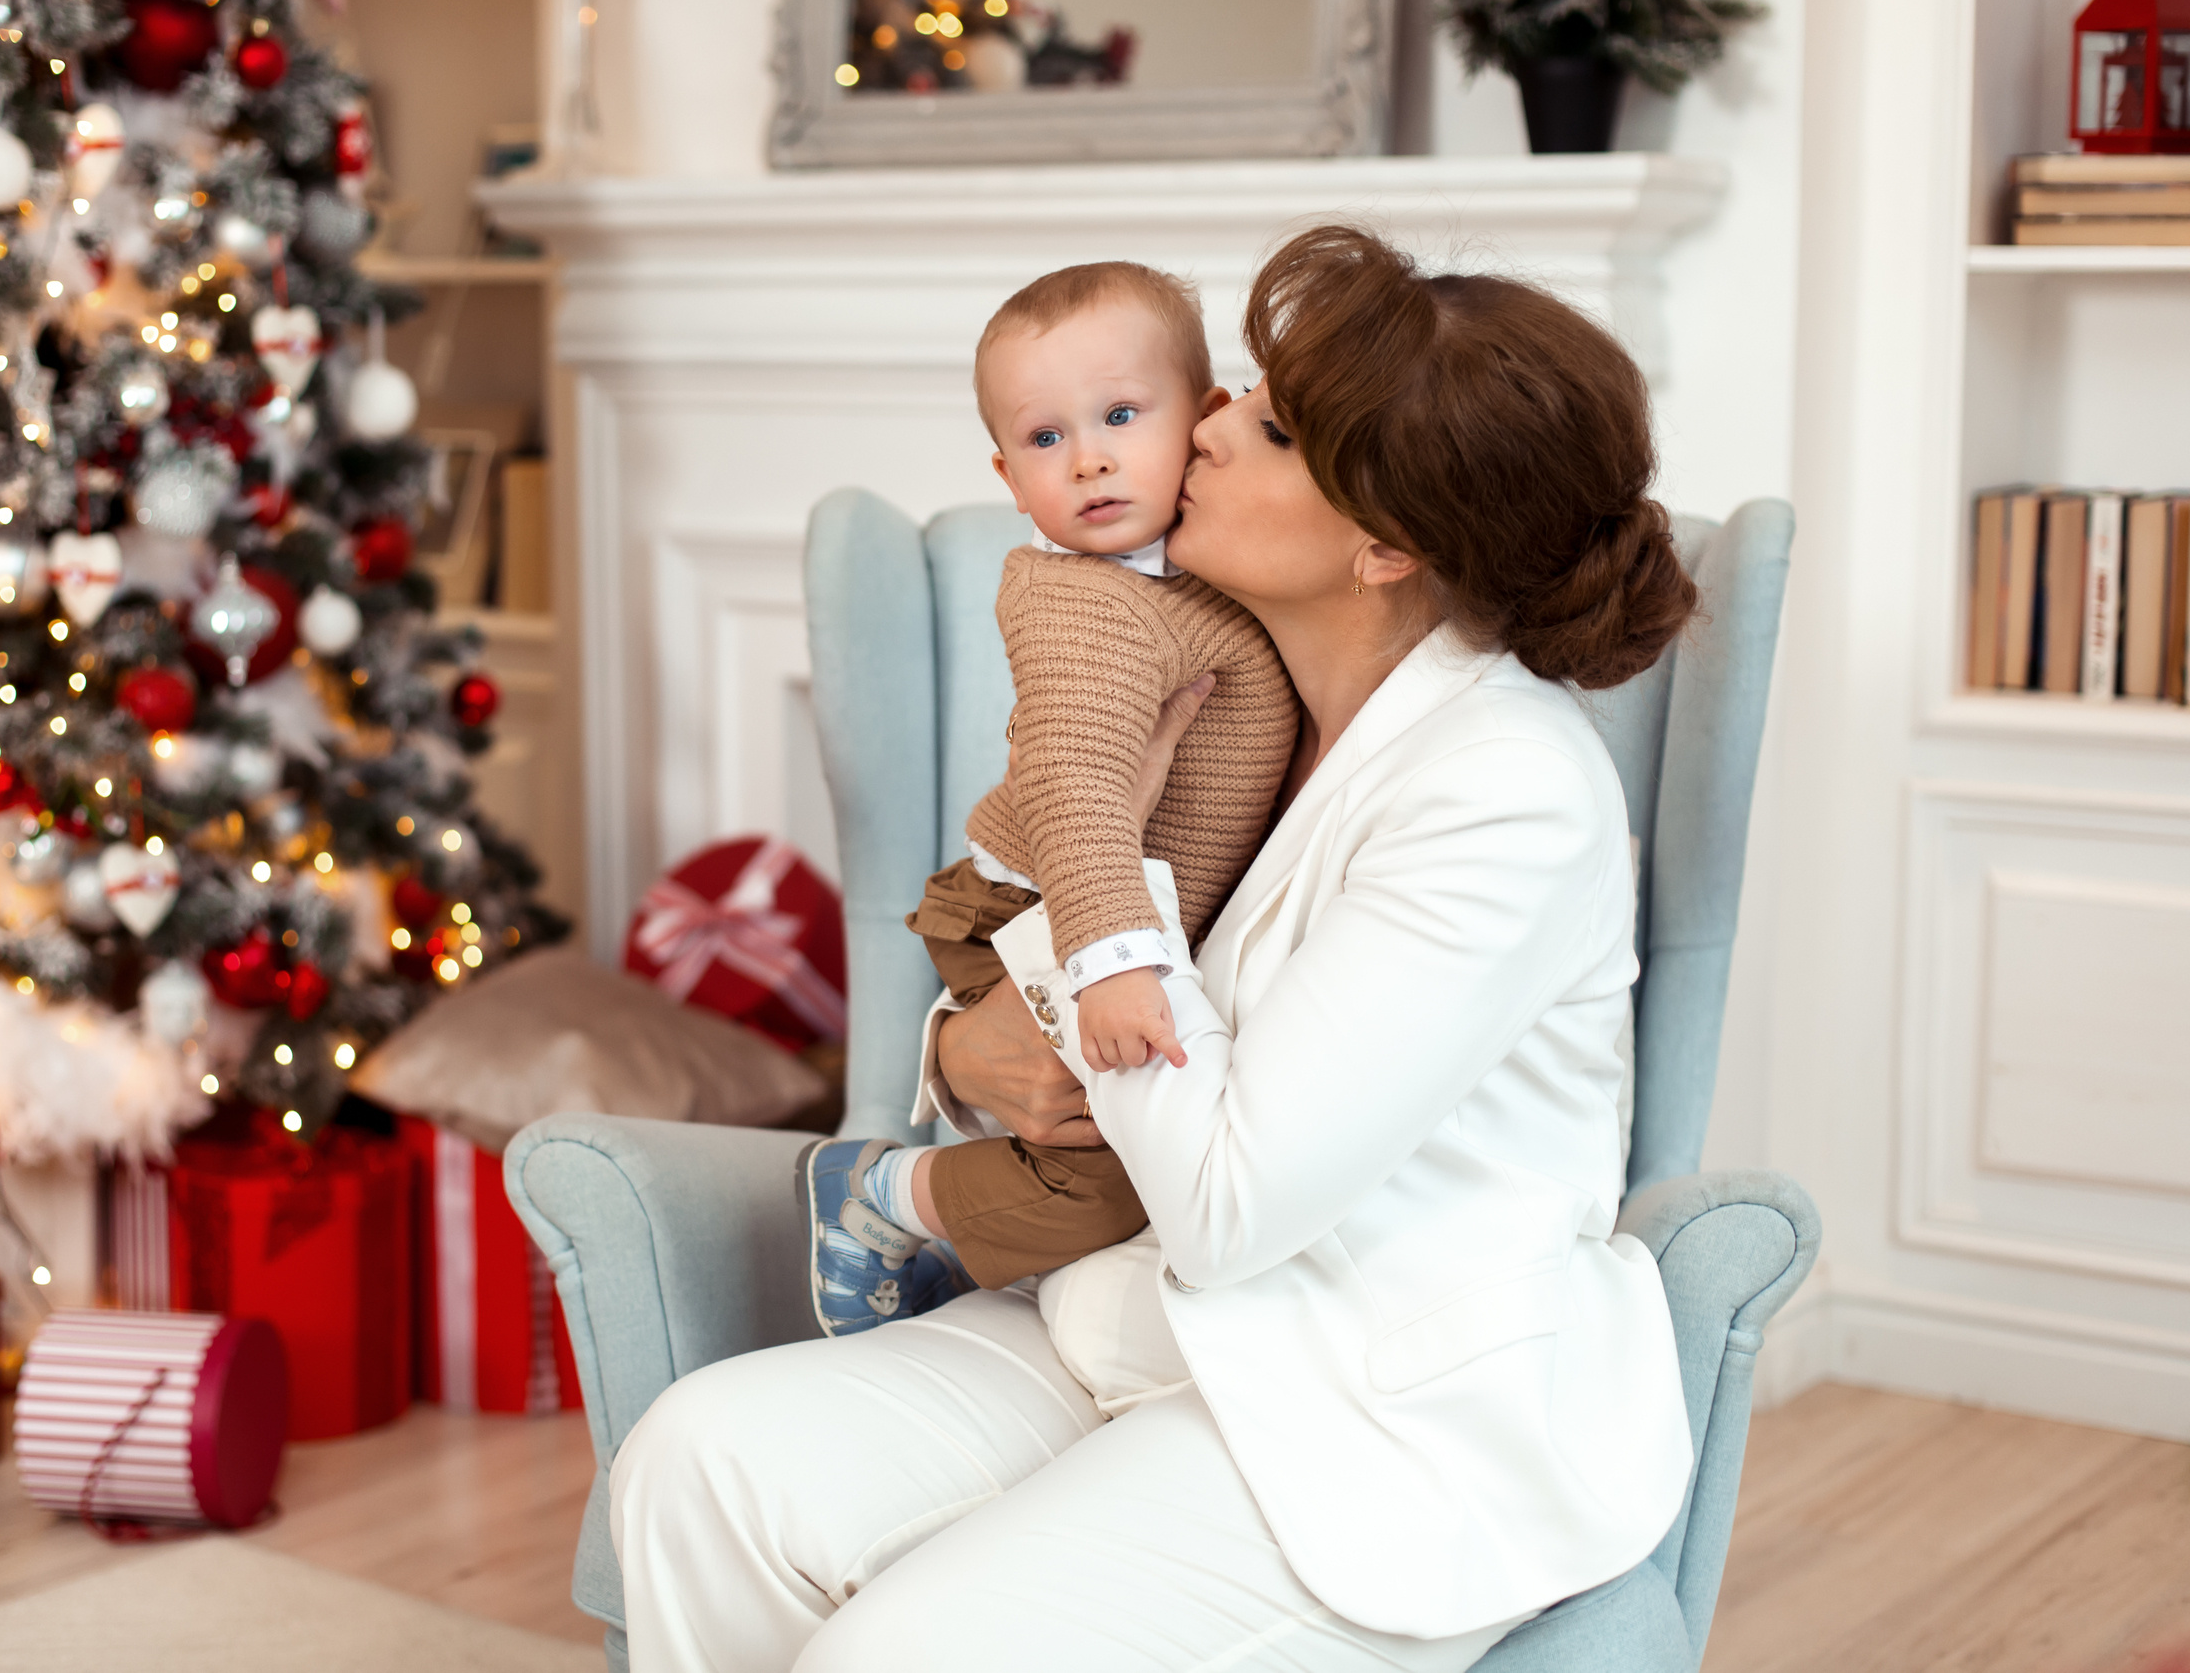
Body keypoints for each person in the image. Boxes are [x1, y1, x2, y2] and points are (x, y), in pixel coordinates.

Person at [610, 222, 1704, 1673]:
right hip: (1138, 1325)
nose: (1204, 426)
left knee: (903, 1652)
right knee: (699, 1461)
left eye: (1269, 427)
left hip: (1370, 1418)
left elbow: (1232, 1199)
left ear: (1385, 544)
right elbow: (1041, 999)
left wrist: (1095, 881)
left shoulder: (1504, 788)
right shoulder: (1241, 700)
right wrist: (956, 1049)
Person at [799, 261, 1297, 1334]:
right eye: (1044, 440)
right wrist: (1112, 965)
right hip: (1036, 915)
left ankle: (958, 1234)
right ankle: (877, 1195)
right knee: (1103, 1178)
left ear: (1204, 421)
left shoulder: (1200, 570)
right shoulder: (1087, 602)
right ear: (1009, 477)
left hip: (1091, 911)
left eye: (1121, 414)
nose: (1090, 460)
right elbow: (1074, 788)